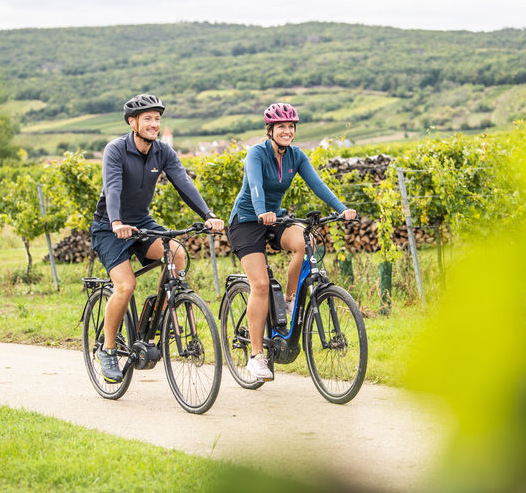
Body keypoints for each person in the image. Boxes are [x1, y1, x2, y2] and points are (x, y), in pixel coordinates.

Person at [91, 94, 224, 383]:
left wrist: (208, 215)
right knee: (126, 285)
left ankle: (157, 322)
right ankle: (108, 348)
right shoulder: (115, 149)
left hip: (141, 224)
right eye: (148, 119)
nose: (155, 124)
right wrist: (115, 222)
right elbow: (112, 188)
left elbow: (183, 182)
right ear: (132, 122)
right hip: (109, 227)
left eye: (157, 119)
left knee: (177, 253)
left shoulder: (162, 151)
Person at [227, 102, 356, 381]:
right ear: (270, 130)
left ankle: (288, 299)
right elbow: (255, 186)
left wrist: (341, 208)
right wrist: (261, 211)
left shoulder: (296, 156)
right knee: (260, 284)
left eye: (291, 126)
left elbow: (318, 184)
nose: (287, 131)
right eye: (281, 126)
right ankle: (256, 356)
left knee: (305, 240)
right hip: (248, 221)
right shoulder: (256, 154)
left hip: (275, 219)